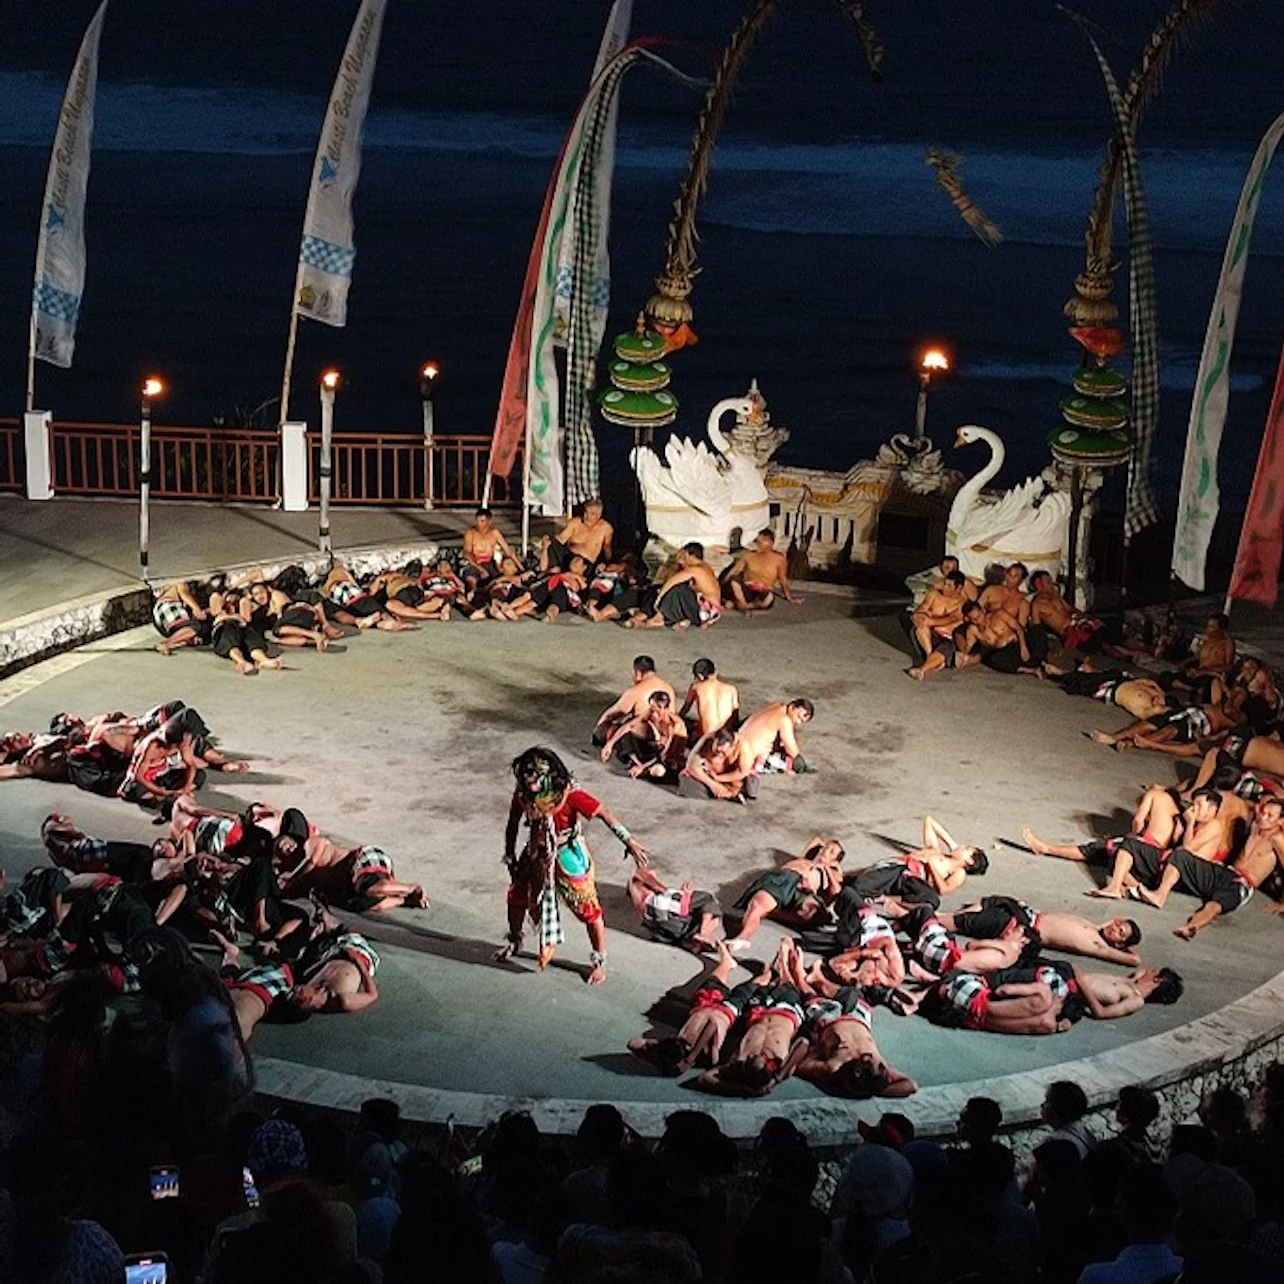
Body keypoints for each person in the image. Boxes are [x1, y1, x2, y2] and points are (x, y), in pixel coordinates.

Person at [494, 746, 649, 985]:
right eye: (525, 776)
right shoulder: (524, 794)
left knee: (588, 908)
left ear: (548, 776)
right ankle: (515, 940)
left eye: (533, 776)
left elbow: (604, 814)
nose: (528, 782)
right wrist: (509, 854)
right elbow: (513, 823)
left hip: (567, 853)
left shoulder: (570, 794)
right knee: (517, 897)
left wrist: (629, 840)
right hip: (536, 852)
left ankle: (599, 962)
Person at [1159, 794, 1284, 938]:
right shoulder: (1255, 826)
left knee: (1214, 906)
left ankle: (1191, 927)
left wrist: (1283, 904)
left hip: (1243, 883)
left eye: (1270, 816)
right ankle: (1158, 892)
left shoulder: (1278, 840)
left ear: (1281, 821)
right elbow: (1249, 805)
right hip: (1227, 871)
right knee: (1183, 858)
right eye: (1263, 812)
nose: (1263, 817)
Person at [628, 941, 750, 1074]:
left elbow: (633, 1043)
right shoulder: (705, 1053)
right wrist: (692, 1056)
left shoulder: (676, 1044)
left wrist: (655, 1047)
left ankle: (727, 962)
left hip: (706, 1004)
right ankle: (753, 971)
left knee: (713, 981)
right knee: (751, 989)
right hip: (727, 1011)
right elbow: (712, 1024)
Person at [939, 896, 1145, 966]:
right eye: (1118, 924)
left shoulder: (1098, 945)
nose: (1115, 928)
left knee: (974, 920)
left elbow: (1134, 960)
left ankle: (939, 920)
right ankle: (946, 916)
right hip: (1028, 914)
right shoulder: (1094, 927)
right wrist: (1106, 925)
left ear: (1119, 944)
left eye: (1120, 933)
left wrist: (1122, 948)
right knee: (991, 901)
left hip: (1023, 928)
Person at [724, 836, 845, 952]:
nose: (825, 850)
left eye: (832, 851)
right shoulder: (803, 860)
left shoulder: (832, 872)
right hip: (781, 879)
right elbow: (817, 839)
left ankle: (772, 913)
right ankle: (743, 938)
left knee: (813, 912)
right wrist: (825, 849)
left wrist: (828, 867)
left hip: (802, 891)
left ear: (835, 860)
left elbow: (836, 891)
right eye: (825, 847)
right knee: (757, 905)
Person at [599, 689, 688, 783]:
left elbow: (666, 754)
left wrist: (642, 767)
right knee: (623, 734)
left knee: (658, 771)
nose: (652, 712)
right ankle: (638, 764)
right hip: (655, 750)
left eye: (655, 709)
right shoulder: (651, 712)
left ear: (663, 709)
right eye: (651, 708)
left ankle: (644, 769)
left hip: (668, 758)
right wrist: (609, 744)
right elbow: (629, 726)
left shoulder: (674, 725)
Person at [628, 543, 723, 630]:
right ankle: (644, 615)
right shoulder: (702, 567)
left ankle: (658, 619)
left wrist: (659, 599)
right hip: (700, 608)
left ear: (686, 554)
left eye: (681, 554)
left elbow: (671, 582)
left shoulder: (696, 570)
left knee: (676, 589)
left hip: (706, 612)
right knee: (660, 589)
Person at [627, 867, 723, 951]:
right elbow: (681, 908)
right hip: (675, 919)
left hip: (669, 931)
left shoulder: (643, 908)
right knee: (706, 899)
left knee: (711, 918)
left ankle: (693, 940)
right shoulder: (656, 899)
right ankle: (702, 932)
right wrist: (686, 895)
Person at [591, 656, 675, 748]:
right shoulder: (669, 688)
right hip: (667, 735)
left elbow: (613, 713)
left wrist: (598, 729)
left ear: (638, 673)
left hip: (645, 739)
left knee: (612, 728)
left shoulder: (636, 691)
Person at [721, 528, 802, 612]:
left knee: (769, 598)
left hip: (763, 591)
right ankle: (743, 604)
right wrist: (720, 588)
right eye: (757, 542)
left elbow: (782, 578)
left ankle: (745, 605)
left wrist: (789, 597)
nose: (758, 545)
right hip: (747, 589)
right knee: (734, 581)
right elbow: (734, 572)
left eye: (761, 542)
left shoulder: (778, 559)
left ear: (770, 542)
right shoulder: (748, 556)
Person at [908, 570, 970, 678]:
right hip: (929, 634)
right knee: (921, 626)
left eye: (949, 585)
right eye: (945, 583)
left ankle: (922, 670)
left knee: (946, 647)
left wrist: (931, 620)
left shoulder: (962, 603)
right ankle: (930, 655)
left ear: (958, 588)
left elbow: (952, 618)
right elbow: (922, 608)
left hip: (946, 638)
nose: (945, 587)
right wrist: (921, 616)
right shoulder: (934, 593)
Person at [735, 698, 816, 776]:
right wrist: (802, 764)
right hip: (745, 756)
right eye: (798, 717)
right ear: (792, 707)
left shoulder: (776, 707)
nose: (798, 722)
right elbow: (793, 751)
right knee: (789, 762)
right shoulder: (784, 720)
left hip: (736, 745)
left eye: (801, 721)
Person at [677, 728, 757, 803]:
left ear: (732, 747)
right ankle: (728, 794)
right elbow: (691, 765)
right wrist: (713, 785)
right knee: (688, 782)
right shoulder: (707, 739)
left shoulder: (743, 746)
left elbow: (742, 772)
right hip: (709, 776)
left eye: (723, 752)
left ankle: (730, 793)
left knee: (750, 784)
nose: (719, 755)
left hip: (733, 779)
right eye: (716, 751)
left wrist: (718, 778)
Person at [541, 497, 614, 569]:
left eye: (592, 514)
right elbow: (561, 539)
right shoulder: (575, 522)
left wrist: (609, 563)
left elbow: (607, 548)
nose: (587, 516)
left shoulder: (606, 528)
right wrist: (547, 542)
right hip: (569, 558)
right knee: (550, 542)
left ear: (598, 515)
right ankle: (545, 570)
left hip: (587, 562)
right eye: (586, 512)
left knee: (580, 563)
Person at [678, 657, 740, 738]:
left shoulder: (695, 687)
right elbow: (735, 717)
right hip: (726, 736)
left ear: (700, 676)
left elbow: (685, 709)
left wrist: (676, 719)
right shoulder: (732, 689)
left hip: (707, 736)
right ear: (715, 671)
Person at [463, 507, 519, 585]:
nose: (479, 524)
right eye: (478, 521)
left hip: (490, 563)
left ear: (489, 521)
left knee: (501, 580)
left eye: (482, 521)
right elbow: (467, 554)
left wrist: (520, 566)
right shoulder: (471, 533)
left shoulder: (494, 533)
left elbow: (508, 551)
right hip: (474, 563)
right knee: (471, 581)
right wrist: (480, 569)